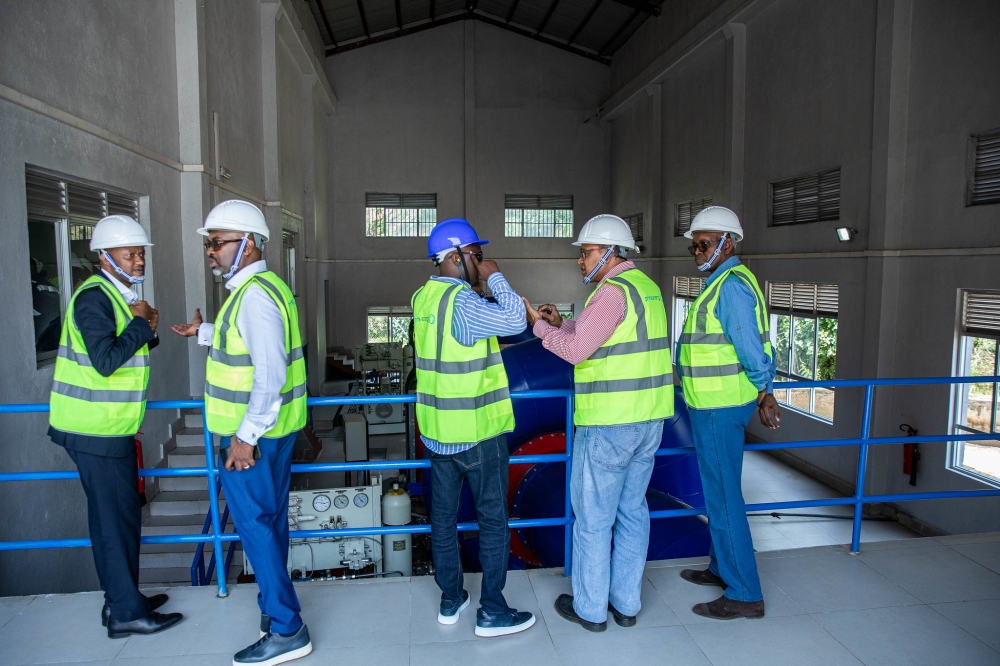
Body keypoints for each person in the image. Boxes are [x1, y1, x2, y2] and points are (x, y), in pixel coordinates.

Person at [172, 200, 311, 665]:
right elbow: (249, 343)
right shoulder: (263, 288)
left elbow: (269, 375)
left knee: (255, 527)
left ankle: (287, 628)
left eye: (217, 243)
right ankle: (276, 615)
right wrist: (207, 332)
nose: (210, 252)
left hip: (254, 439)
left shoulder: (252, 296)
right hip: (276, 433)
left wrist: (245, 437)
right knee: (270, 524)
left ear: (249, 245)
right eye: (209, 243)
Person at [525, 214, 673, 633]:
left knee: (593, 519)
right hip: (649, 421)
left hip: (610, 423)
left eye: (586, 252)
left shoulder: (609, 294)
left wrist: (538, 327)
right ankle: (626, 603)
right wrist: (562, 324)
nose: (580, 261)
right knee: (632, 512)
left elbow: (576, 352)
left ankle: (591, 609)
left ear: (609, 253)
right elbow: (602, 338)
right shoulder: (646, 288)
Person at [48, 215, 182, 638]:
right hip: (94, 431)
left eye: (142, 253)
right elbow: (106, 361)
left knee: (121, 518)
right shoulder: (95, 297)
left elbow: (124, 345)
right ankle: (126, 613)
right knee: (113, 521)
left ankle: (122, 601)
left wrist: (148, 326)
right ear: (106, 257)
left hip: (109, 430)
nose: (139, 260)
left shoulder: (117, 294)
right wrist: (143, 324)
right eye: (131, 254)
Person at [413, 218, 535, 638]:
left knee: (443, 521)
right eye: (475, 255)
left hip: (438, 433)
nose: (481, 261)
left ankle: (451, 599)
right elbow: (516, 320)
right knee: (493, 522)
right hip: (478, 434)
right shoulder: (463, 304)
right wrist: (495, 275)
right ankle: (492, 611)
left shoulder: (424, 298)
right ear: (455, 257)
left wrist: (479, 280)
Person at [675, 206, 780, 620]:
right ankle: (722, 568)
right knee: (718, 492)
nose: (697, 252)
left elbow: (750, 346)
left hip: (721, 406)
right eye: (693, 246)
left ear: (727, 243)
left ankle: (744, 593)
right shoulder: (720, 283)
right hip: (711, 404)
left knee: (723, 499)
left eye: (704, 244)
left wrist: (765, 390)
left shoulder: (731, 287)